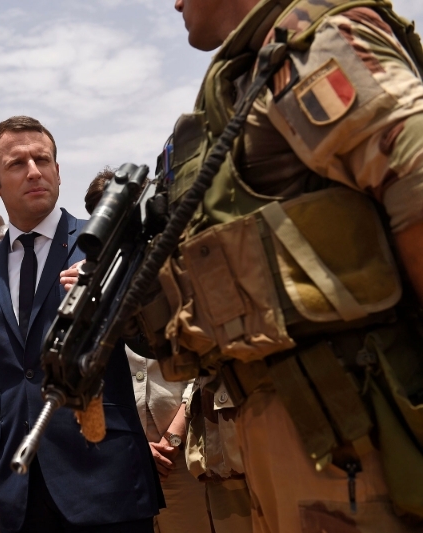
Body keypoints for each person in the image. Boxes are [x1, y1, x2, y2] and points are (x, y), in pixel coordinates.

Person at [145, 0, 423, 531]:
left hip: (366, 433)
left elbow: (415, 180)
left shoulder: (313, 42)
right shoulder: (253, 68)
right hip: (312, 431)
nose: (174, 3)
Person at [0, 115, 163, 533]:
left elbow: (158, 344)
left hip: (107, 484)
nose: (34, 171)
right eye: (17, 164)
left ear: (58, 170)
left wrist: (114, 299)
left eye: (43, 159)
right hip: (15, 496)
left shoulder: (111, 246)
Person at [82, 170, 215, 533]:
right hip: (119, 459)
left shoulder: (186, 269)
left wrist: (172, 435)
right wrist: (135, 444)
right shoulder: (83, 286)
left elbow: (211, 360)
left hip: (185, 455)